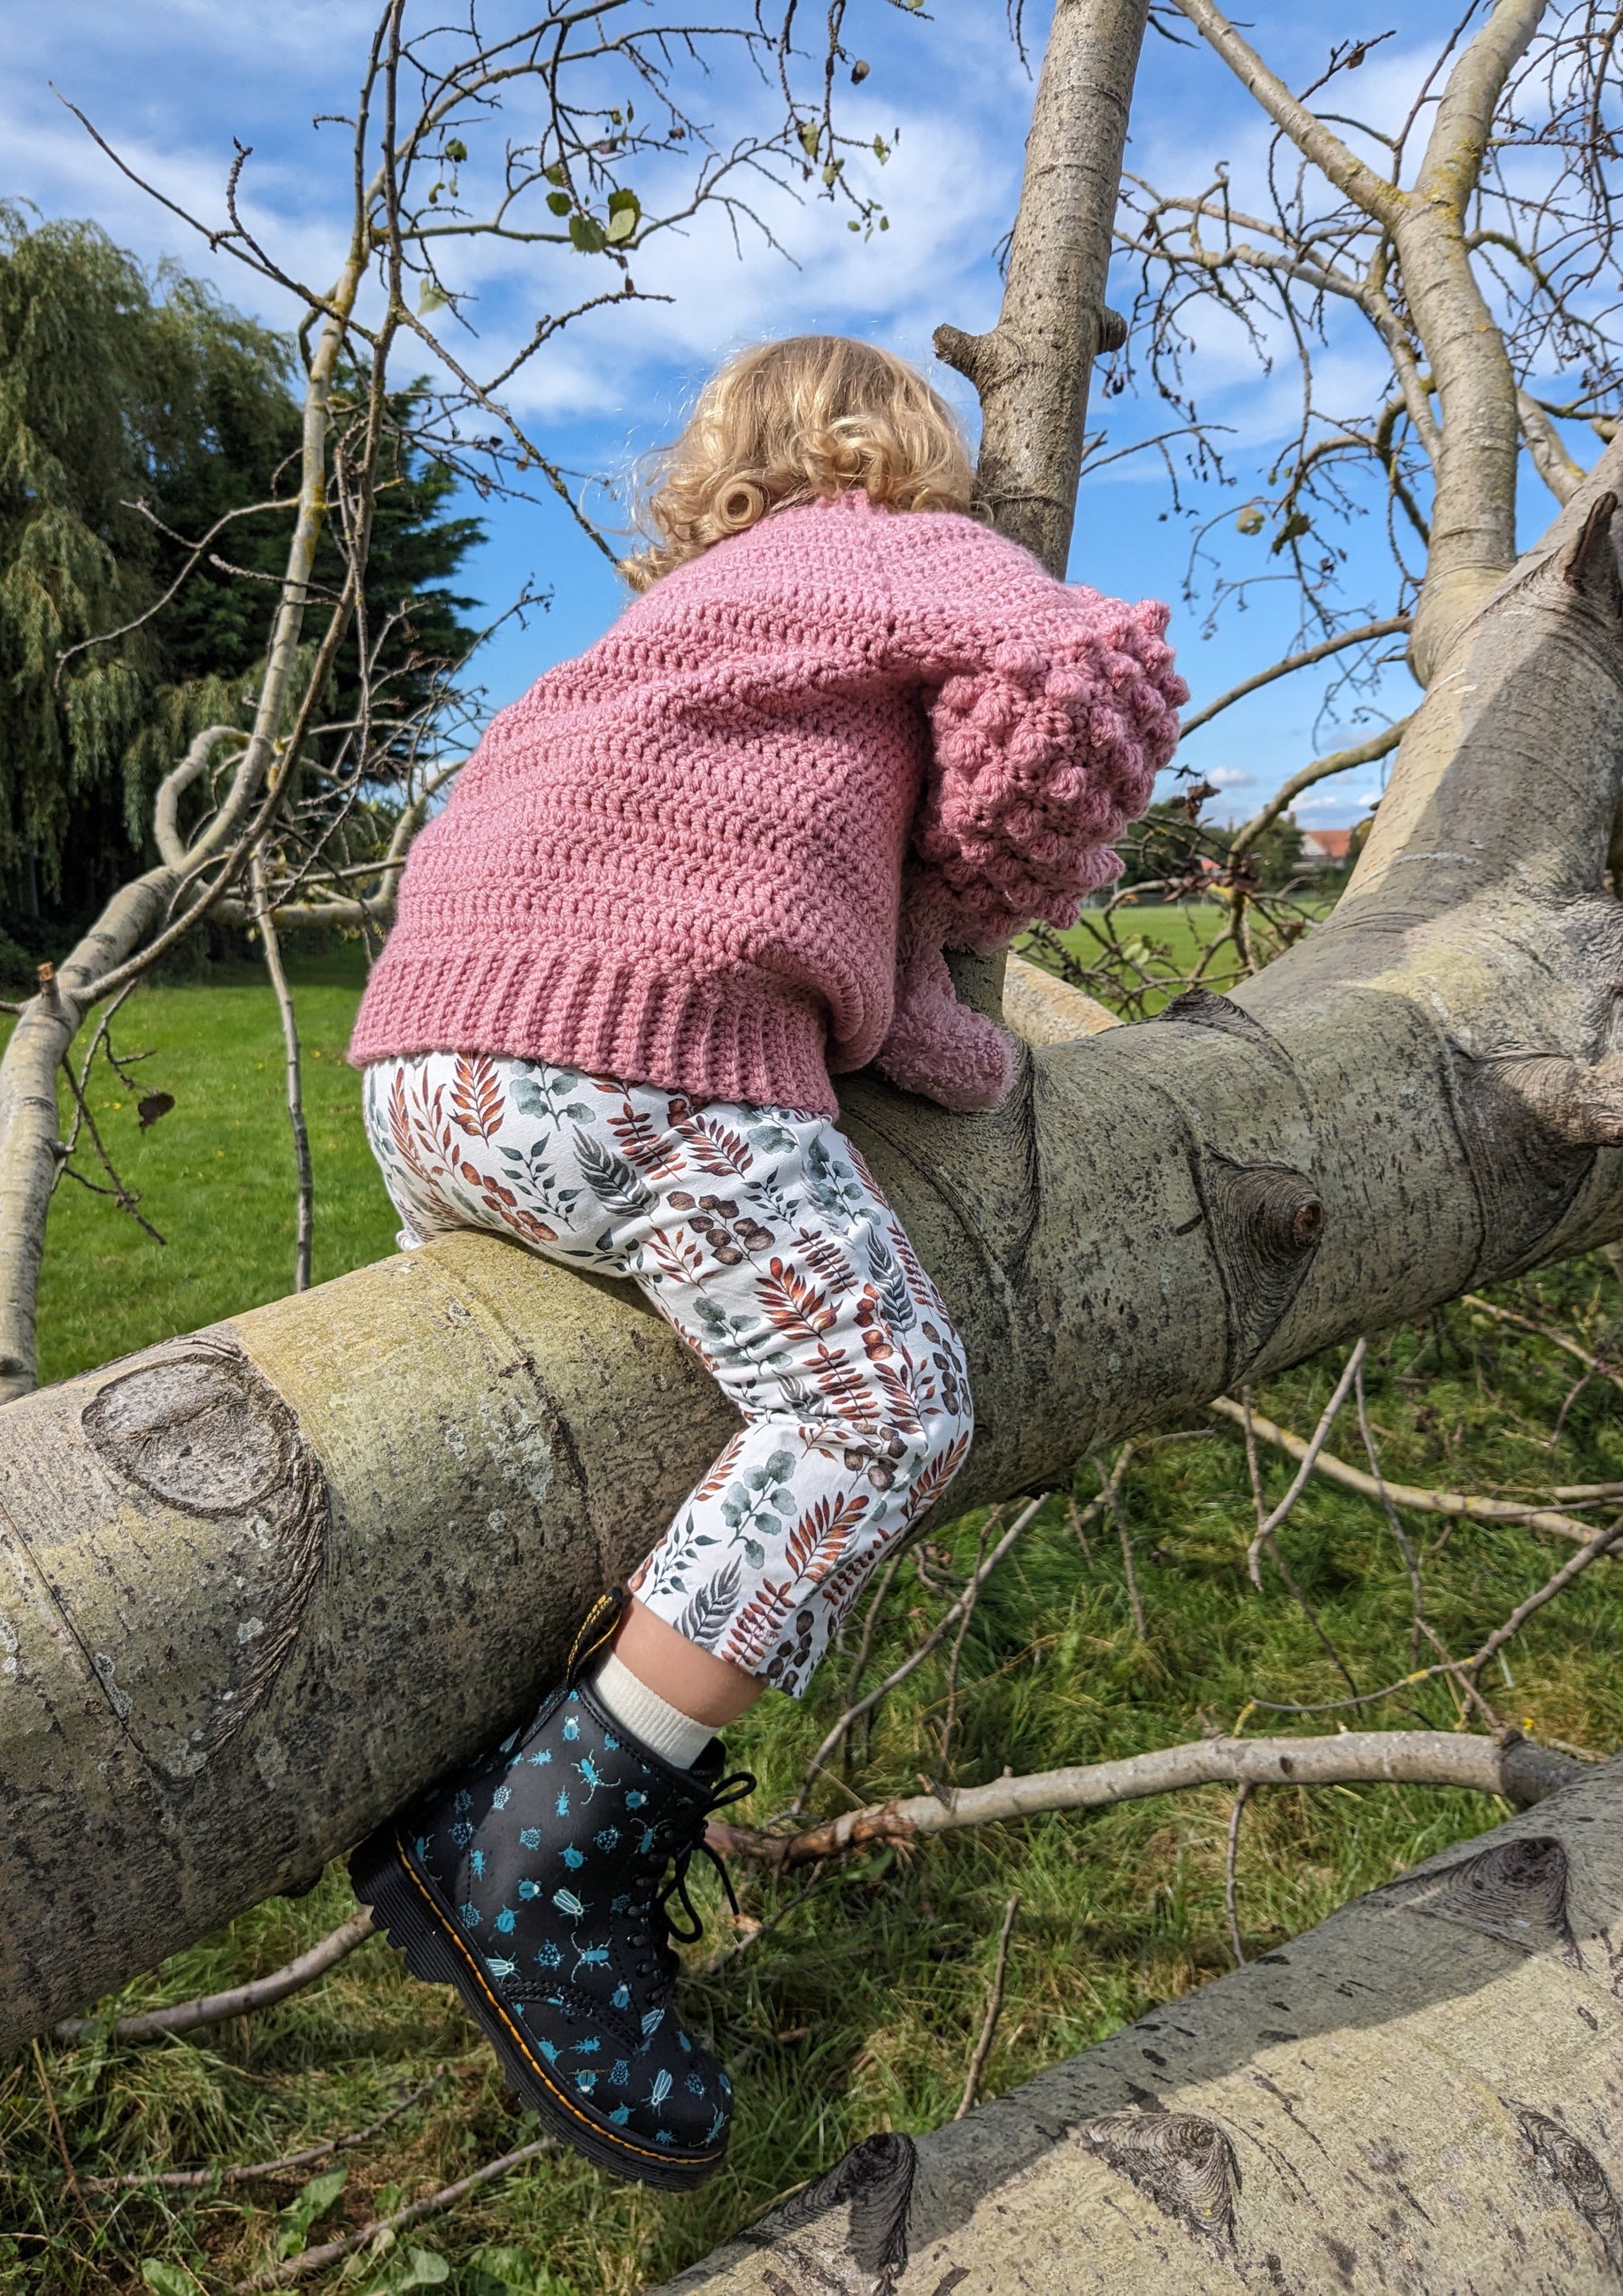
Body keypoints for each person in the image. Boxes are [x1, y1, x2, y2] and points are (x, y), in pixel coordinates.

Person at [345, 334, 1184, 2191]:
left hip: (424, 1071)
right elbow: (1080, 675)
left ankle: (489, 1749)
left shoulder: (656, 650)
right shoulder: (885, 544)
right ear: (878, 453)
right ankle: (540, 1845)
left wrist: (954, 1019)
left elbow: (861, 995)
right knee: (880, 1403)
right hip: (629, 1057)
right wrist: (992, 870)